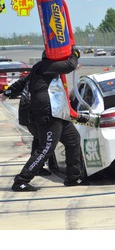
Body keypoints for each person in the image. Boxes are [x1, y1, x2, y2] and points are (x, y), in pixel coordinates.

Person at [10, 47, 89, 192]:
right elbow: (70, 65)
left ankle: (73, 177)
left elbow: (22, 82)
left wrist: (8, 92)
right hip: (48, 115)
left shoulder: (42, 69)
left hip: (57, 113)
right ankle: (21, 180)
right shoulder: (46, 66)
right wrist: (75, 54)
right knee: (46, 148)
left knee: (73, 139)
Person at [0, 75, 52, 176]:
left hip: (27, 113)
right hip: (33, 113)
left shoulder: (34, 74)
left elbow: (18, 85)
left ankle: (37, 167)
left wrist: (6, 93)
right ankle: (32, 170)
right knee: (43, 142)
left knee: (39, 139)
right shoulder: (46, 75)